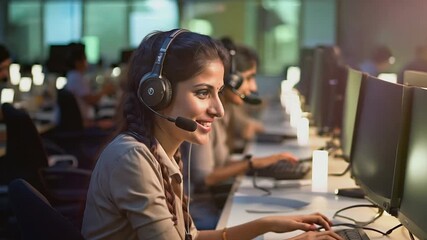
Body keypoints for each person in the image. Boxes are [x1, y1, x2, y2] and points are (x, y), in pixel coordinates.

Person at [81, 29, 341, 240]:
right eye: (203, 93)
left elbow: (190, 237)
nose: (218, 110)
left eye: (218, 92)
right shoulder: (132, 158)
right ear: (157, 94)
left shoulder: (163, 154)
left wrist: (265, 225)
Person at [182, 40, 321, 231]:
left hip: (209, 207)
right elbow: (206, 178)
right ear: (233, 79)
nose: (253, 86)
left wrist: (257, 161)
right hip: (202, 215)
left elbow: (220, 161)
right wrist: (251, 164)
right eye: (249, 78)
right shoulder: (203, 120)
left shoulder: (223, 113)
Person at [65, 42, 115, 127]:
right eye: (85, 59)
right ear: (77, 62)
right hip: (84, 125)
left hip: (85, 122)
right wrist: (105, 91)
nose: (86, 63)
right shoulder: (76, 78)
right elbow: (92, 100)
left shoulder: (73, 76)